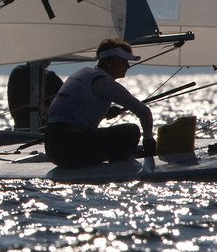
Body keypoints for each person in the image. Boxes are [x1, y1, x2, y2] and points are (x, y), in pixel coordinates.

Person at [44, 39, 156, 168]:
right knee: (131, 131)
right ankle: (118, 168)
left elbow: (73, 112)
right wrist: (149, 142)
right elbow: (144, 112)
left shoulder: (83, 73)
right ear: (108, 62)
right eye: (123, 61)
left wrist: (106, 112)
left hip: (52, 149)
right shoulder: (104, 83)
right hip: (70, 150)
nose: (127, 66)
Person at [7, 63, 62, 131]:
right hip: (26, 128)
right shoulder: (20, 73)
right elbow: (17, 105)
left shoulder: (52, 78)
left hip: (52, 128)